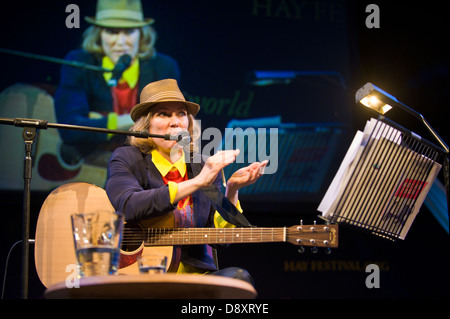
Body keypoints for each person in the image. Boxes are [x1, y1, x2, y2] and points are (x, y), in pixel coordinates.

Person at [105, 79, 268, 284]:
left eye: (181, 113)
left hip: (196, 277)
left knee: (238, 280)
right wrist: (198, 182)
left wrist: (232, 191)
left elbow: (220, 239)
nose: (175, 122)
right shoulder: (128, 158)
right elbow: (128, 205)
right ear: (146, 124)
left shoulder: (201, 166)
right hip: (141, 274)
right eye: (163, 114)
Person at [54, 0, 180, 158]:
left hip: (145, 166)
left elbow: (168, 127)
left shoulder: (163, 67)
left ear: (141, 34)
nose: (120, 43)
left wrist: (100, 121)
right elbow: (70, 130)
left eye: (129, 32)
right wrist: (137, 121)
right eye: (112, 32)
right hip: (92, 166)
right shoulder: (79, 63)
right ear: (99, 34)